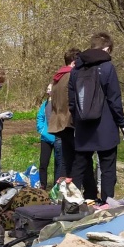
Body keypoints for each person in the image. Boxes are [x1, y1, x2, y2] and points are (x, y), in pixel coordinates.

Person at [68, 33, 124, 201]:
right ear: (107, 49)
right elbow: (114, 99)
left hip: (83, 126)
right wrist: (122, 123)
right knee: (107, 167)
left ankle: (72, 203)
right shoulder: (108, 68)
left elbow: (72, 101)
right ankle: (107, 204)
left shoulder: (76, 69)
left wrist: (77, 120)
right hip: (105, 126)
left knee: (79, 166)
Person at [48, 48, 80, 181]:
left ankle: (61, 190)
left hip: (57, 121)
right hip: (69, 122)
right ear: (74, 62)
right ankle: (74, 189)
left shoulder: (57, 77)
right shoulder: (71, 75)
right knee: (76, 159)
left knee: (64, 159)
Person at [36, 83, 61, 189]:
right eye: (47, 89)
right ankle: (43, 185)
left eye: (50, 89)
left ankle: (57, 186)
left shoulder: (60, 103)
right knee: (43, 163)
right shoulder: (45, 104)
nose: (48, 91)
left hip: (57, 137)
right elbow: (40, 117)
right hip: (46, 137)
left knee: (58, 163)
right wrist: (42, 130)